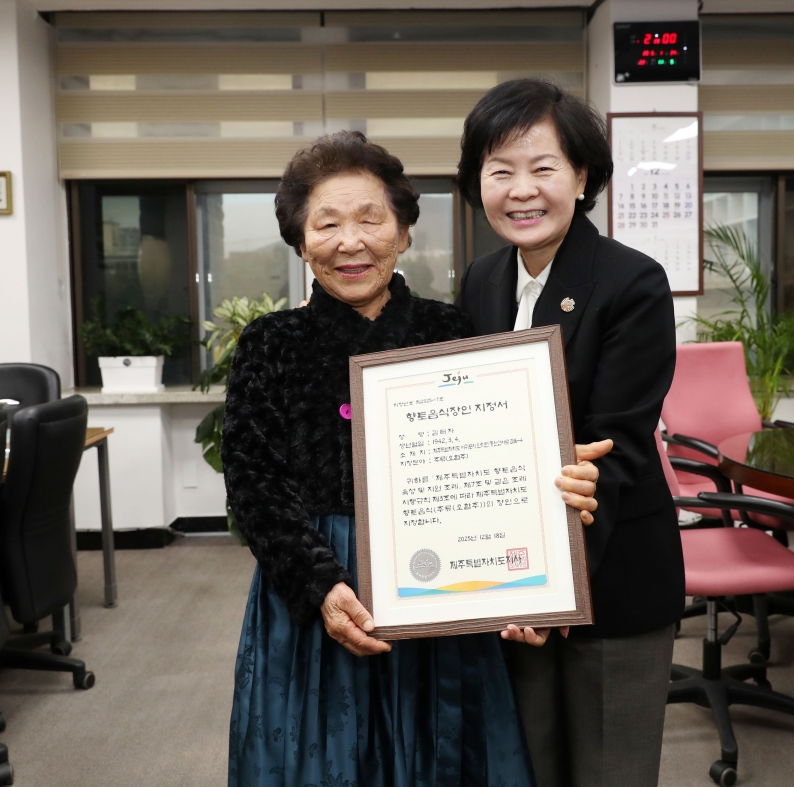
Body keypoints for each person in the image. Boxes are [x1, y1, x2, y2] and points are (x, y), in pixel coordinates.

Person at [221, 130, 611, 787]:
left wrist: (529, 547)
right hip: (318, 592)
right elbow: (253, 483)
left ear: (403, 233)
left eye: (372, 218)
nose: (352, 241)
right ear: (301, 241)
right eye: (328, 223)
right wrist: (320, 582)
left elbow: (494, 467)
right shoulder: (271, 343)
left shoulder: (450, 330)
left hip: (442, 588)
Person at [455, 79, 687, 787]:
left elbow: (611, 451)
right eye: (500, 171)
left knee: (608, 770)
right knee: (530, 765)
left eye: (542, 167)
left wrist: (553, 590)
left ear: (582, 177)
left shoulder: (632, 283)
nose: (521, 190)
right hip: (512, 582)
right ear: (478, 184)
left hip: (610, 577)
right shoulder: (481, 281)